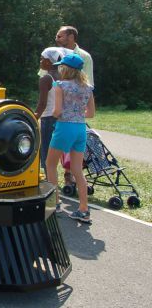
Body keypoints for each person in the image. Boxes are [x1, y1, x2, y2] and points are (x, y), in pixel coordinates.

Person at [45, 53, 95, 224]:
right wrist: (76, 113)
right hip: (80, 128)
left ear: (65, 69)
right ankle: (83, 209)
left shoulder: (59, 85)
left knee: (50, 164)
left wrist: (54, 115)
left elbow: (57, 111)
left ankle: (55, 203)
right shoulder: (88, 87)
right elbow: (91, 113)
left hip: (64, 127)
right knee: (77, 170)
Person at [34, 47, 69, 175]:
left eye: (42, 59)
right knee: (56, 149)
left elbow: (42, 103)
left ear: (49, 61)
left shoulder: (46, 79)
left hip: (48, 117)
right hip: (61, 117)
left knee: (46, 150)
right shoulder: (63, 77)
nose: (40, 62)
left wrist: (34, 117)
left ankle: (49, 179)